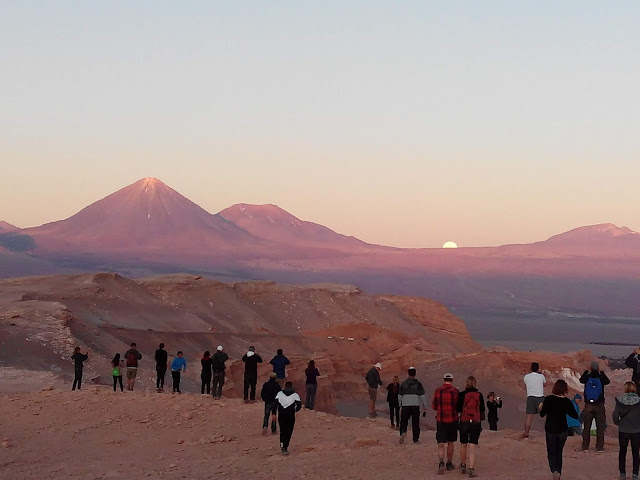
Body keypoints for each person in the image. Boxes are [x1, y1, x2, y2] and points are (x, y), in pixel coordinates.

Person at [540, 380, 579, 480]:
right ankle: (559, 473)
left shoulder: (549, 399)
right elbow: (574, 415)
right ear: (565, 389)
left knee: (551, 451)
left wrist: (541, 407)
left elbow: (542, 414)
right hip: (562, 430)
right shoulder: (567, 401)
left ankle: (554, 471)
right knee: (559, 452)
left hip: (551, 429)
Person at [579, 360, 610, 452]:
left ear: (591, 367)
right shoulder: (601, 377)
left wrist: (585, 372)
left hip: (588, 404)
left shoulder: (587, 376)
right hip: (599, 404)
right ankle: (599, 447)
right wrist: (602, 372)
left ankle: (585, 446)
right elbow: (607, 381)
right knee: (600, 427)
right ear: (598, 368)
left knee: (587, 427)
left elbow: (581, 380)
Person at [458, 376, 485, 478]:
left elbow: (458, 408)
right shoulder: (479, 395)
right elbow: (482, 409)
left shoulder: (462, 394)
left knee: (463, 444)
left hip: (464, 421)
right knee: (472, 446)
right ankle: (471, 469)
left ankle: (463, 465)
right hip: (475, 422)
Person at [432, 372, 459, 475]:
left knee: (441, 443)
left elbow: (434, 406)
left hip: (441, 419)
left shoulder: (438, 391)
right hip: (453, 420)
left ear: (444, 380)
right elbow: (458, 406)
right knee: (451, 442)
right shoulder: (456, 391)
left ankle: (441, 462)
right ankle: (449, 463)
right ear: (452, 380)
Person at [613, 381, 640, 480]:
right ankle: (635, 474)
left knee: (622, 452)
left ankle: (622, 473)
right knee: (635, 452)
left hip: (623, 429)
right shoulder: (639, 401)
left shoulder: (620, 401)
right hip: (636, 430)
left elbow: (615, 415)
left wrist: (618, 422)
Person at [398, 367, 427, 445]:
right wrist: (424, 406)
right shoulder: (418, 384)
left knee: (404, 421)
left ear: (408, 373)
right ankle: (415, 439)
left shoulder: (403, 384)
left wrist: (400, 404)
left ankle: (403, 432)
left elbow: (400, 396)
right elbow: (422, 396)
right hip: (415, 405)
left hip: (405, 405)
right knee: (415, 422)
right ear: (415, 373)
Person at [276, 381, 302, 455]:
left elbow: (275, 404)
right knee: (289, 431)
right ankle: (285, 447)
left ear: (285, 386)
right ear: (291, 386)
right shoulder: (295, 395)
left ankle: (281, 443)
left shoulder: (280, 394)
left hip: (281, 415)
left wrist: (274, 413)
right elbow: (299, 405)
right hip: (290, 415)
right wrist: (294, 410)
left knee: (282, 430)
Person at [523, 362, 546, 438]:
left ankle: (526, 433)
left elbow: (525, 384)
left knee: (529, 416)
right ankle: (549, 431)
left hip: (530, 397)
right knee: (545, 414)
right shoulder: (541, 376)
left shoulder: (526, 377)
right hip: (540, 397)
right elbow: (544, 384)